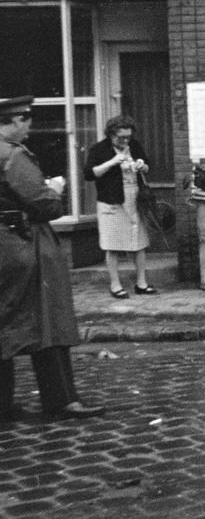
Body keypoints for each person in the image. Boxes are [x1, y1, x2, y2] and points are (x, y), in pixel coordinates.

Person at [0, 95, 105, 421]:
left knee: (4, 323)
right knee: (49, 320)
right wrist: (54, 190)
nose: (29, 130)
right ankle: (61, 400)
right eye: (27, 122)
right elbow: (45, 205)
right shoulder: (13, 156)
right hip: (25, 244)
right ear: (15, 120)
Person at [84, 116, 157, 298]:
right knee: (113, 244)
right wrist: (112, 162)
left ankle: (141, 283)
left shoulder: (135, 145)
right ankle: (115, 284)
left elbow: (147, 166)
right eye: (120, 137)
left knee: (139, 242)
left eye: (128, 137)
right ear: (111, 135)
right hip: (111, 201)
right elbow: (89, 174)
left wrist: (142, 165)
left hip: (134, 198)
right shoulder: (99, 149)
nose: (125, 141)